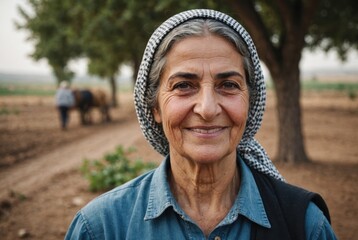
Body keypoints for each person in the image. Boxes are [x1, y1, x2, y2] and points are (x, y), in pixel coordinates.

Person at [65, 9, 337, 239]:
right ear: (155, 107)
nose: (207, 109)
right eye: (183, 86)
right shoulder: (101, 228)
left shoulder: (304, 225)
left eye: (228, 85)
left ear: (250, 103)